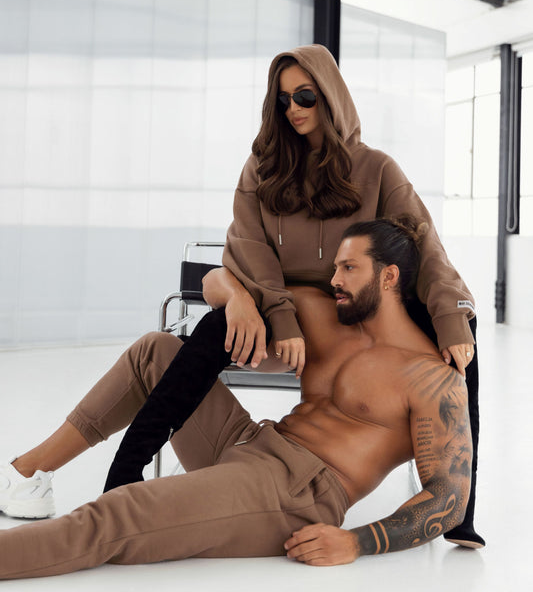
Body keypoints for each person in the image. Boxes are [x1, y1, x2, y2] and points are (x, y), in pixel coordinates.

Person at [0, 44, 482, 547]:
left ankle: (462, 510)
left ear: (331, 96)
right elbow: (247, 251)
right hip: (285, 316)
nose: (293, 109)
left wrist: (451, 316)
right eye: (282, 100)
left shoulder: (377, 169)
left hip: (351, 316)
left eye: (305, 96)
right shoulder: (263, 168)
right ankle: (118, 472)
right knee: (208, 329)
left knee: (461, 336)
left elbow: (422, 242)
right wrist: (268, 309)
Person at [0, 217, 472, 579]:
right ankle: (27, 474)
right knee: (157, 350)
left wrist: (357, 542)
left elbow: (448, 497)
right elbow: (215, 280)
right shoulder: (324, 315)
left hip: (295, 492)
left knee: (121, 513)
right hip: (251, 442)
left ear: (389, 277)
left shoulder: (431, 378)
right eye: (335, 267)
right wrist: (240, 301)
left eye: (349, 268)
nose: (335, 279)